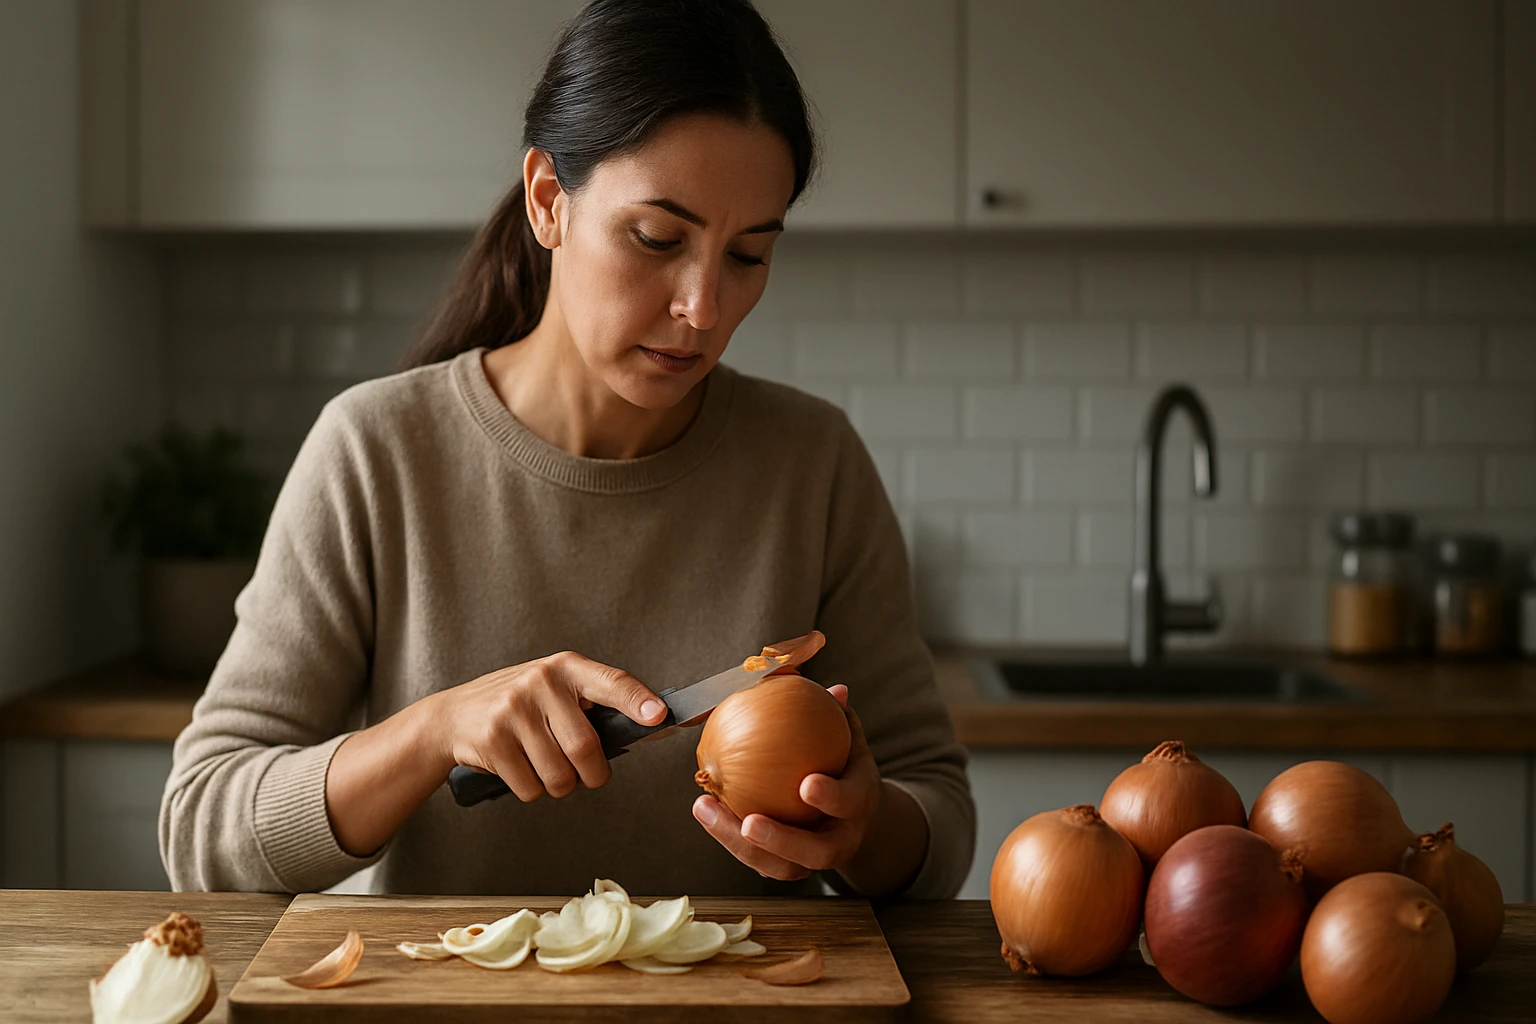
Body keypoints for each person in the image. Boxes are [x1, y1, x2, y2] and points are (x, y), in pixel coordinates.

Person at [160, 0, 974, 899]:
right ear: (549, 201)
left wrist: (861, 831)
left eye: (747, 255)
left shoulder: (814, 464)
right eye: (656, 238)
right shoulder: (373, 451)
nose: (703, 307)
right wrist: (433, 732)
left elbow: (935, 813)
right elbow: (203, 831)